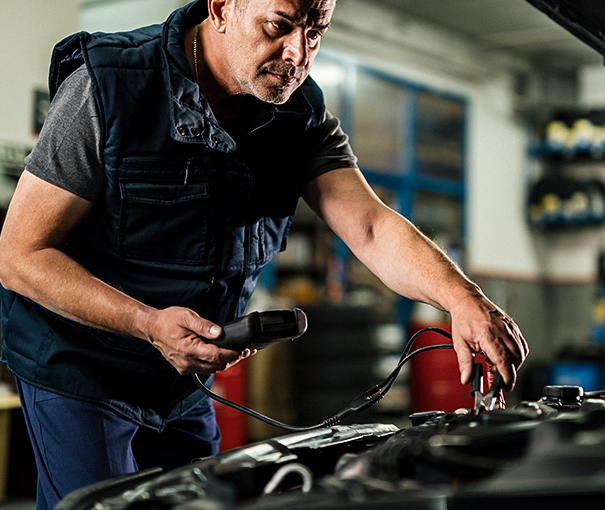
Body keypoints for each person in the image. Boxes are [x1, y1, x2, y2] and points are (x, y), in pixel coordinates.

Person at [0, 0, 528, 508]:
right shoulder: (108, 86)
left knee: (203, 504)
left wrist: (462, 298)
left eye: (315, 32)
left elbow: (369, 226)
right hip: (79, 366)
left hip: (181, 378)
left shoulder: (300, 118)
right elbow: (19, 255)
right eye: (279, 25)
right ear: (221, 7)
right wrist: (146, 322)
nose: (298, 53)